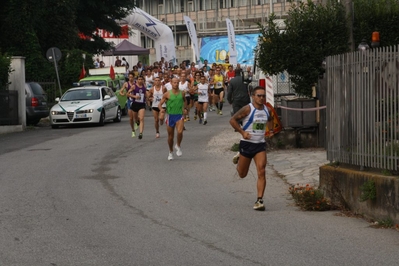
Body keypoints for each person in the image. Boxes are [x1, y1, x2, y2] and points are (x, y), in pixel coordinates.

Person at [229, 86, 274, 211]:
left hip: (260, 145)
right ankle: (239, 157)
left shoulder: (267, 109)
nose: (261, 98)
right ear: (253, 97)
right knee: (242, 174)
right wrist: (242, 132)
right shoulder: (248, 109)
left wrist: (270, 130)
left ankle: (259, 200)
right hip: (247, 144)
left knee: (262, 170)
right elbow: (232, 120)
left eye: (263, 96)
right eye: (258, 95)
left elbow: (270, 119)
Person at [158, 77, 185, 161]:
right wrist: (161, 109)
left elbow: (185, 101)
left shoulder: (182, 93)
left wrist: (185, 109)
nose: (176, 84)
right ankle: (170, 152)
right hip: (170, 116)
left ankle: (178, 145)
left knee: (180, 132)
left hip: (179, 115)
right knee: (170, 137)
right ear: (171, 83)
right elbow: (160, 104)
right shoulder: (167, 94)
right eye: (174, 82)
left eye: (177, 82)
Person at [120, 73, 136, 137]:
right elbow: (121, 91)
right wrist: (123, 94)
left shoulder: (136, 83)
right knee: (131, 118)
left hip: (136, 101)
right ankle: (133, 130)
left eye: (132, 77)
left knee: (136, 117)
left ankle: (137, 122)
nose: (131, 78)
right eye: (129, 77)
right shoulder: (126, 84)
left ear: (134, 77)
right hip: (130, 101)